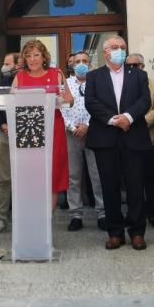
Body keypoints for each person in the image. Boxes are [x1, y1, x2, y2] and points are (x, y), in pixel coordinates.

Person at [84, 36, 152, 251]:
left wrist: (128, 117)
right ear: (105, 52)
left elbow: (145, 101)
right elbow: (91, 102)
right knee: (109, 186)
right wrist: (115, 120)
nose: (119, 51)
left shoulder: (139, 75)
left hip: (134, 137)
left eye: (122, 48)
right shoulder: (94, 76)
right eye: (114, 48)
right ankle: (115, 232)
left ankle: (137, 232)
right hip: (106, 138)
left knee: (135, 186)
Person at [12, 39, 73, 209]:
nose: (32, 59)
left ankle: (48, 218)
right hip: (29, 130)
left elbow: (70, 100)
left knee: (52, 171)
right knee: (31, 172)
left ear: (44, 56)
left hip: (54, 127)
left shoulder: (57, 73)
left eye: (36, 55)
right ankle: (32, 214)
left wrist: (60, 99)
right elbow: (9, 100)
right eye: (28, 55)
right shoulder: (20, 76)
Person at [62, 50, 107, 232]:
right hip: (71, 134)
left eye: (85, 61)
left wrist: (88, 125)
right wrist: (72, 127)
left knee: (97, 175)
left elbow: (101, 107)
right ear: (72, 64)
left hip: (94, 133)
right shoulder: (65, 84)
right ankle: (75, 215)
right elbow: (61, 108)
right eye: (77, 61)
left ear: (90, 64)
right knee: (73, 177)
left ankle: (102, 213)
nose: (81, 63)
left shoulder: (98, 83)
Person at [126, 52, 154, 228]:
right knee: (131, 178)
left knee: (149, 177)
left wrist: (137, 123)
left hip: (148, 137)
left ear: (142, 66)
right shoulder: (121, 84)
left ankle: (151, 212)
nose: (132, 68)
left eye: (136, 65)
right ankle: (134, 212)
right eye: (129, 65)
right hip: (126, 138)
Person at [0, 52, 20, 233]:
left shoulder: (25, 81)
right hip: (3, 134)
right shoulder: (0, 82)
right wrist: (3, 125)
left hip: (24, 134)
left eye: (8, 64)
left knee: (25, 179)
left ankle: (24, 216)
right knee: (4, 178)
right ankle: (1, 218)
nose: (4, 66)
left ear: (17, 65)